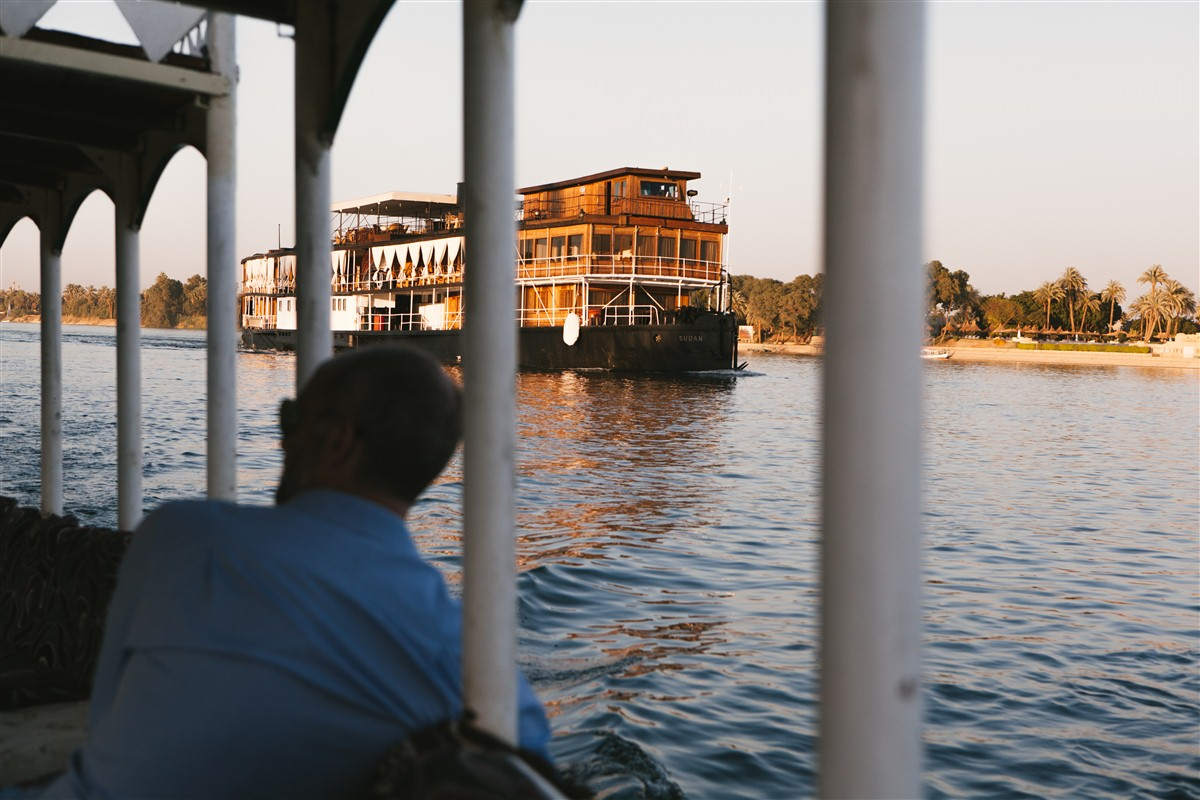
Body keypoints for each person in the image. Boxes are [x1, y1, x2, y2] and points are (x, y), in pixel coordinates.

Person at [41, 346, 551, 799]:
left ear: (336, 442)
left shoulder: (177, 537)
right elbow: (527, 756)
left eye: (291, 418)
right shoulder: (454, 654)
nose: (282, 440)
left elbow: (103, 721)